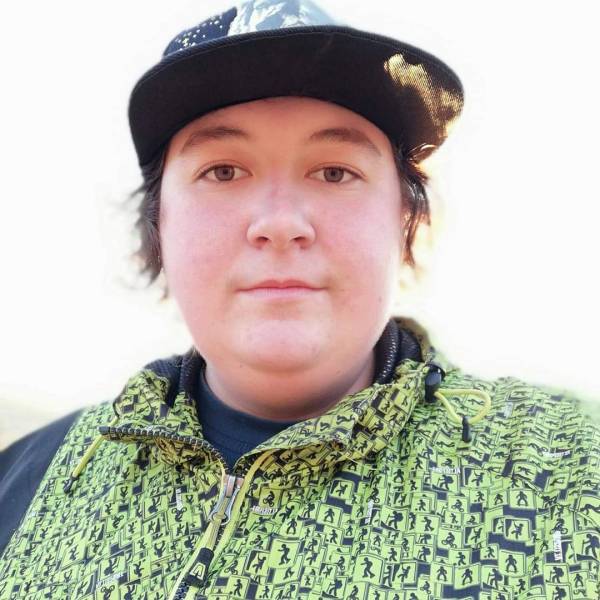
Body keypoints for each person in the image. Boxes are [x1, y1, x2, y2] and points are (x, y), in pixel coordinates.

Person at [0, 1, 599, 598]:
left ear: (406, 220)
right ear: (160, 223)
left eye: (335, 172)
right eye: (223, 171)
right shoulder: (28, 479)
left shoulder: (569, 468)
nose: (280, 223)